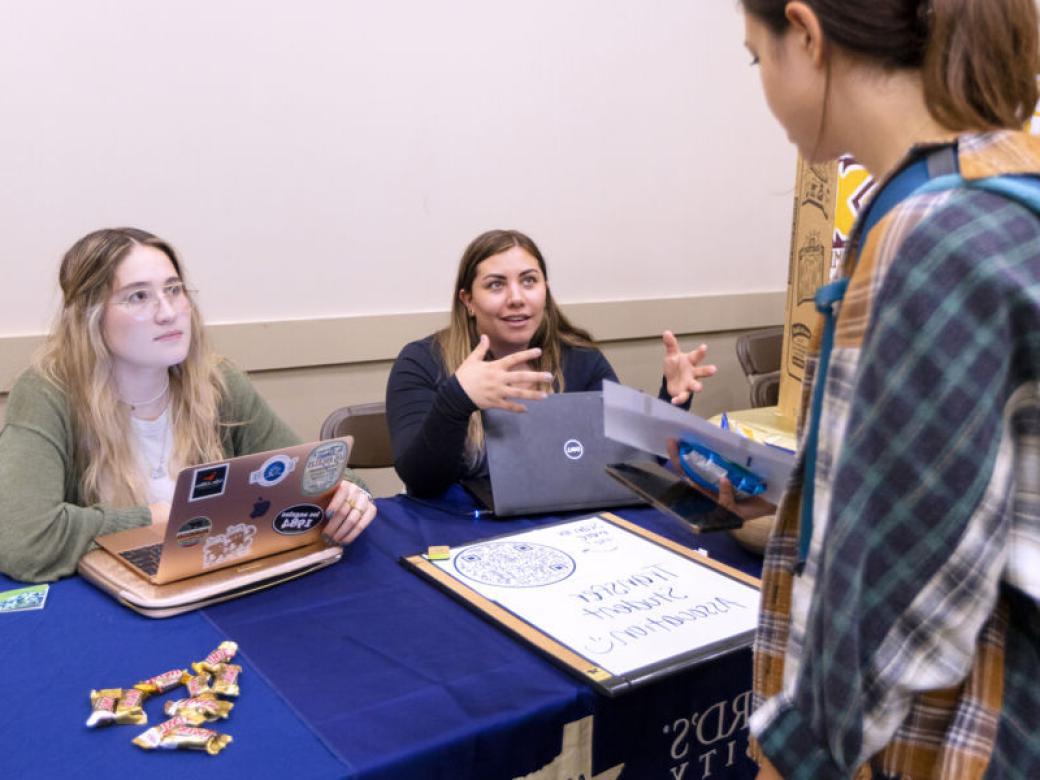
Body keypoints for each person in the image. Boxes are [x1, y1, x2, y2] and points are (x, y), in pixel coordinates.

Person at [712, 1, 1040, 777]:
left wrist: (795, 751)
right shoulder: (1001, 188)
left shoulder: (927, 236)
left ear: (807, 34)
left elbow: (901, 602)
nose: (763, 88)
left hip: (943, 739)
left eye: (759, 58)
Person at [0, 228, 376, 583]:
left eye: (174, 290)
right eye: (138, 296)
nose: (168, 312)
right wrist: (159, 519)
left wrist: (347, 496)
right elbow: (25, 541)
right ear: (88, 316)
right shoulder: (46, 393)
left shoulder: (217, 381)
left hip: (211, 584)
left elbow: (316, 480)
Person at [386, 228, 717, 496]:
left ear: (545, 290)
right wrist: (456, 399)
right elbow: (423, 482)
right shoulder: (422, 362)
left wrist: (673, 398)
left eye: (529, 281)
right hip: (458, 530)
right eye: (496, 285)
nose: (517, 298)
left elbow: (633, 460)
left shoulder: (579, 358)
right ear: (468, 301)